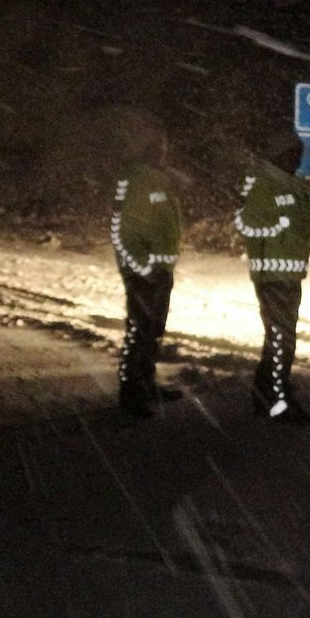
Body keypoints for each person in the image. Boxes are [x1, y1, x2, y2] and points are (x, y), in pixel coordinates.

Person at [236, 133, 310, 422]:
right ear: (279, 155)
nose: (298, 159)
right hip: (272, 275)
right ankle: (278, 403)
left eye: (299, 153)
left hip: (289, 274)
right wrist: (276, 226)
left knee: (279, 339)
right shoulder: (263, 183)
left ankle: (267, 396)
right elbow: (246, 222)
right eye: (293, 153)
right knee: (281, 340)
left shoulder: (296, 188)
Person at [108, 107, 183, 419]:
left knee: (150, 331)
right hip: (147, 272)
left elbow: (160, 224)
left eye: (164, 144)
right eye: (158, 145)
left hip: (157, 269)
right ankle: (132, 396)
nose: (163, 150)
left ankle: (145, 385)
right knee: (140, 332)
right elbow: (129, 230)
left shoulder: (153, 179)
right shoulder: (142, 180)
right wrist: (144, 267)